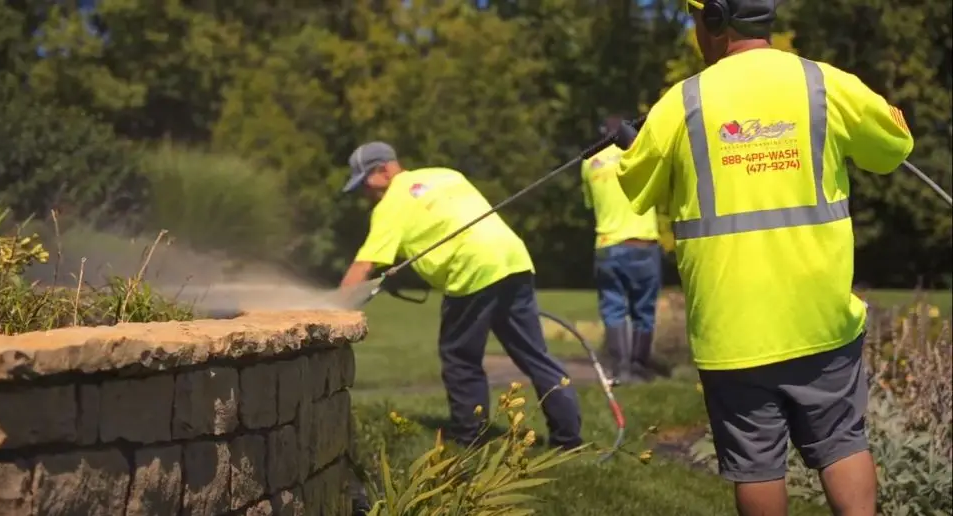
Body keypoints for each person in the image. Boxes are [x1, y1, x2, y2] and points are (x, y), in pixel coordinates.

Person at [613, 1, 914, 515]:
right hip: (819, 317)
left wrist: (633, 140)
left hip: (733, 328)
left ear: (713, 20)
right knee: (843, 440)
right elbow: (893, 145)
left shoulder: (682, 102)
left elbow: (634, 183)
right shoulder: (823, 84)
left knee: (757, 464)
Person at [337, 141, 584, 450]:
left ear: (384, 169)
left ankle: (469, 436)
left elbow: (364, 264)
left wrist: (330, 308)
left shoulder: (391, 204)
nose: (365, 193)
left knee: (460, 358)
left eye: (365, 183)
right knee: (534, 354)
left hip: (471, 269)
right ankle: (569, 439)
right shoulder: (445, 175)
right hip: (513, 259)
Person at [581, 119, 663, 384]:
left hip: (608, 245)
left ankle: (620, 369)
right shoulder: (639, 152)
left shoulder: (589, 162)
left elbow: (589, 202)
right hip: (643, 244)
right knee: (644, 310)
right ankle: (639, 367)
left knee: (613, 309)